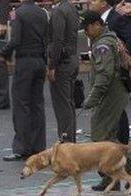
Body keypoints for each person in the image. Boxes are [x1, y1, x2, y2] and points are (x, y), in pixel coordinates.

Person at [80, 10, 131, 192]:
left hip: (111, 92)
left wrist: (92, 98)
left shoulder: (103, 45)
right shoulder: (108, 39)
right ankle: (112, 177)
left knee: (101, 136)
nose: (85, 33)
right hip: (113, 92)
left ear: (96, 25)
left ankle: (129, 168)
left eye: (87, 29)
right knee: (108, 136)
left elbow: (105, 75)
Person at [91, 0, 131, 185]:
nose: (89, 2)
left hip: (112, 82)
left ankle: (125, 167)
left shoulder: (115, 19)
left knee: (104, 128)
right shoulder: (103, 23)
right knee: (111, 124)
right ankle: (114, 174)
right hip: (110, 82)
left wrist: (123, 58)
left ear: (103, 3)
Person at [0, 0, 48, 162]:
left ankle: (22, 147)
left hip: (25, 61)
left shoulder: (18, 13)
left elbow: (16, 39)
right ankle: (38, 146)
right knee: (37, 104)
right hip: (40, 60)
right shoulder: (42, 13)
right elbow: (47, 38)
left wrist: (3, 53)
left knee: (21, 104)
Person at [47, 0, 80, 143]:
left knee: (62, 106)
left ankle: (66, 141)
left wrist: (52, 65)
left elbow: (58, 39)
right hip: (72, 58)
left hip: (62, 62)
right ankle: (70, 140)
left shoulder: (59, 11)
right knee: (69, 103)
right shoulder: (71, 8)